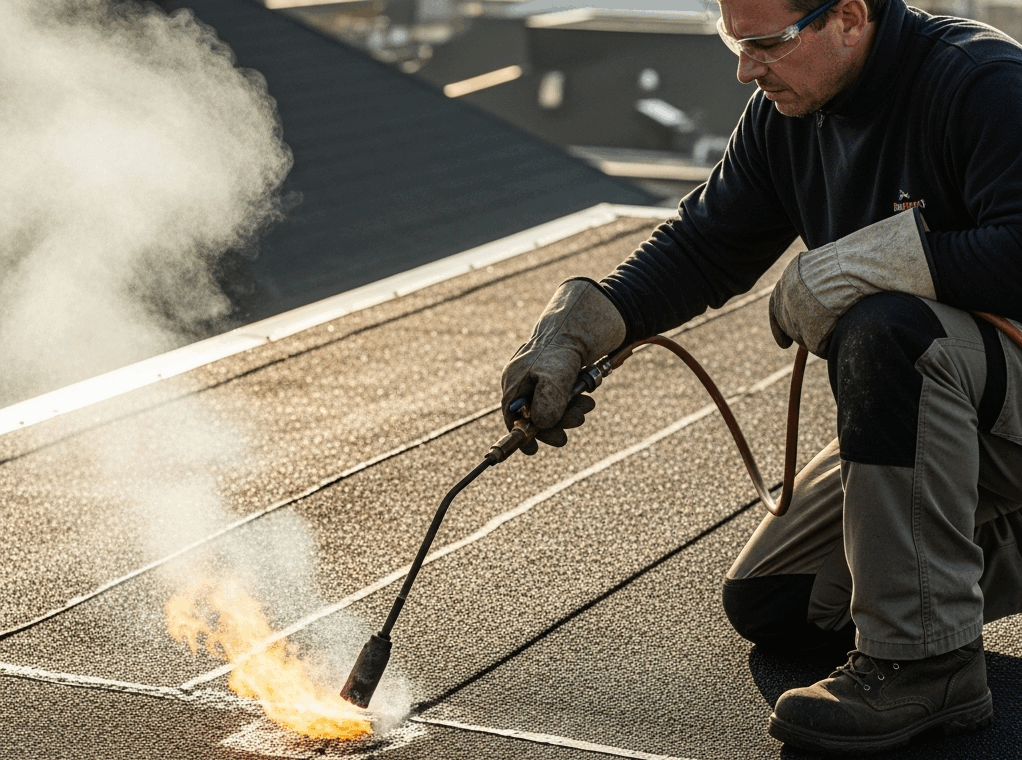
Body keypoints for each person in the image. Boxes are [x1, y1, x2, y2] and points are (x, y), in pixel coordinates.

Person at [499, 0, 1022, 753]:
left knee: (887, 330)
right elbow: (704, 247)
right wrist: (575, 327)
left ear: (849, 15)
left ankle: (927, 664)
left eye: (768, 43)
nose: (746, 68)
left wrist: (862, 263)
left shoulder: (980, 82)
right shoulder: (788, 112)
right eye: (733, 42)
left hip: (1000, 394)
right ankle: (936, 592)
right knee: (777, 599)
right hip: (955, 420)